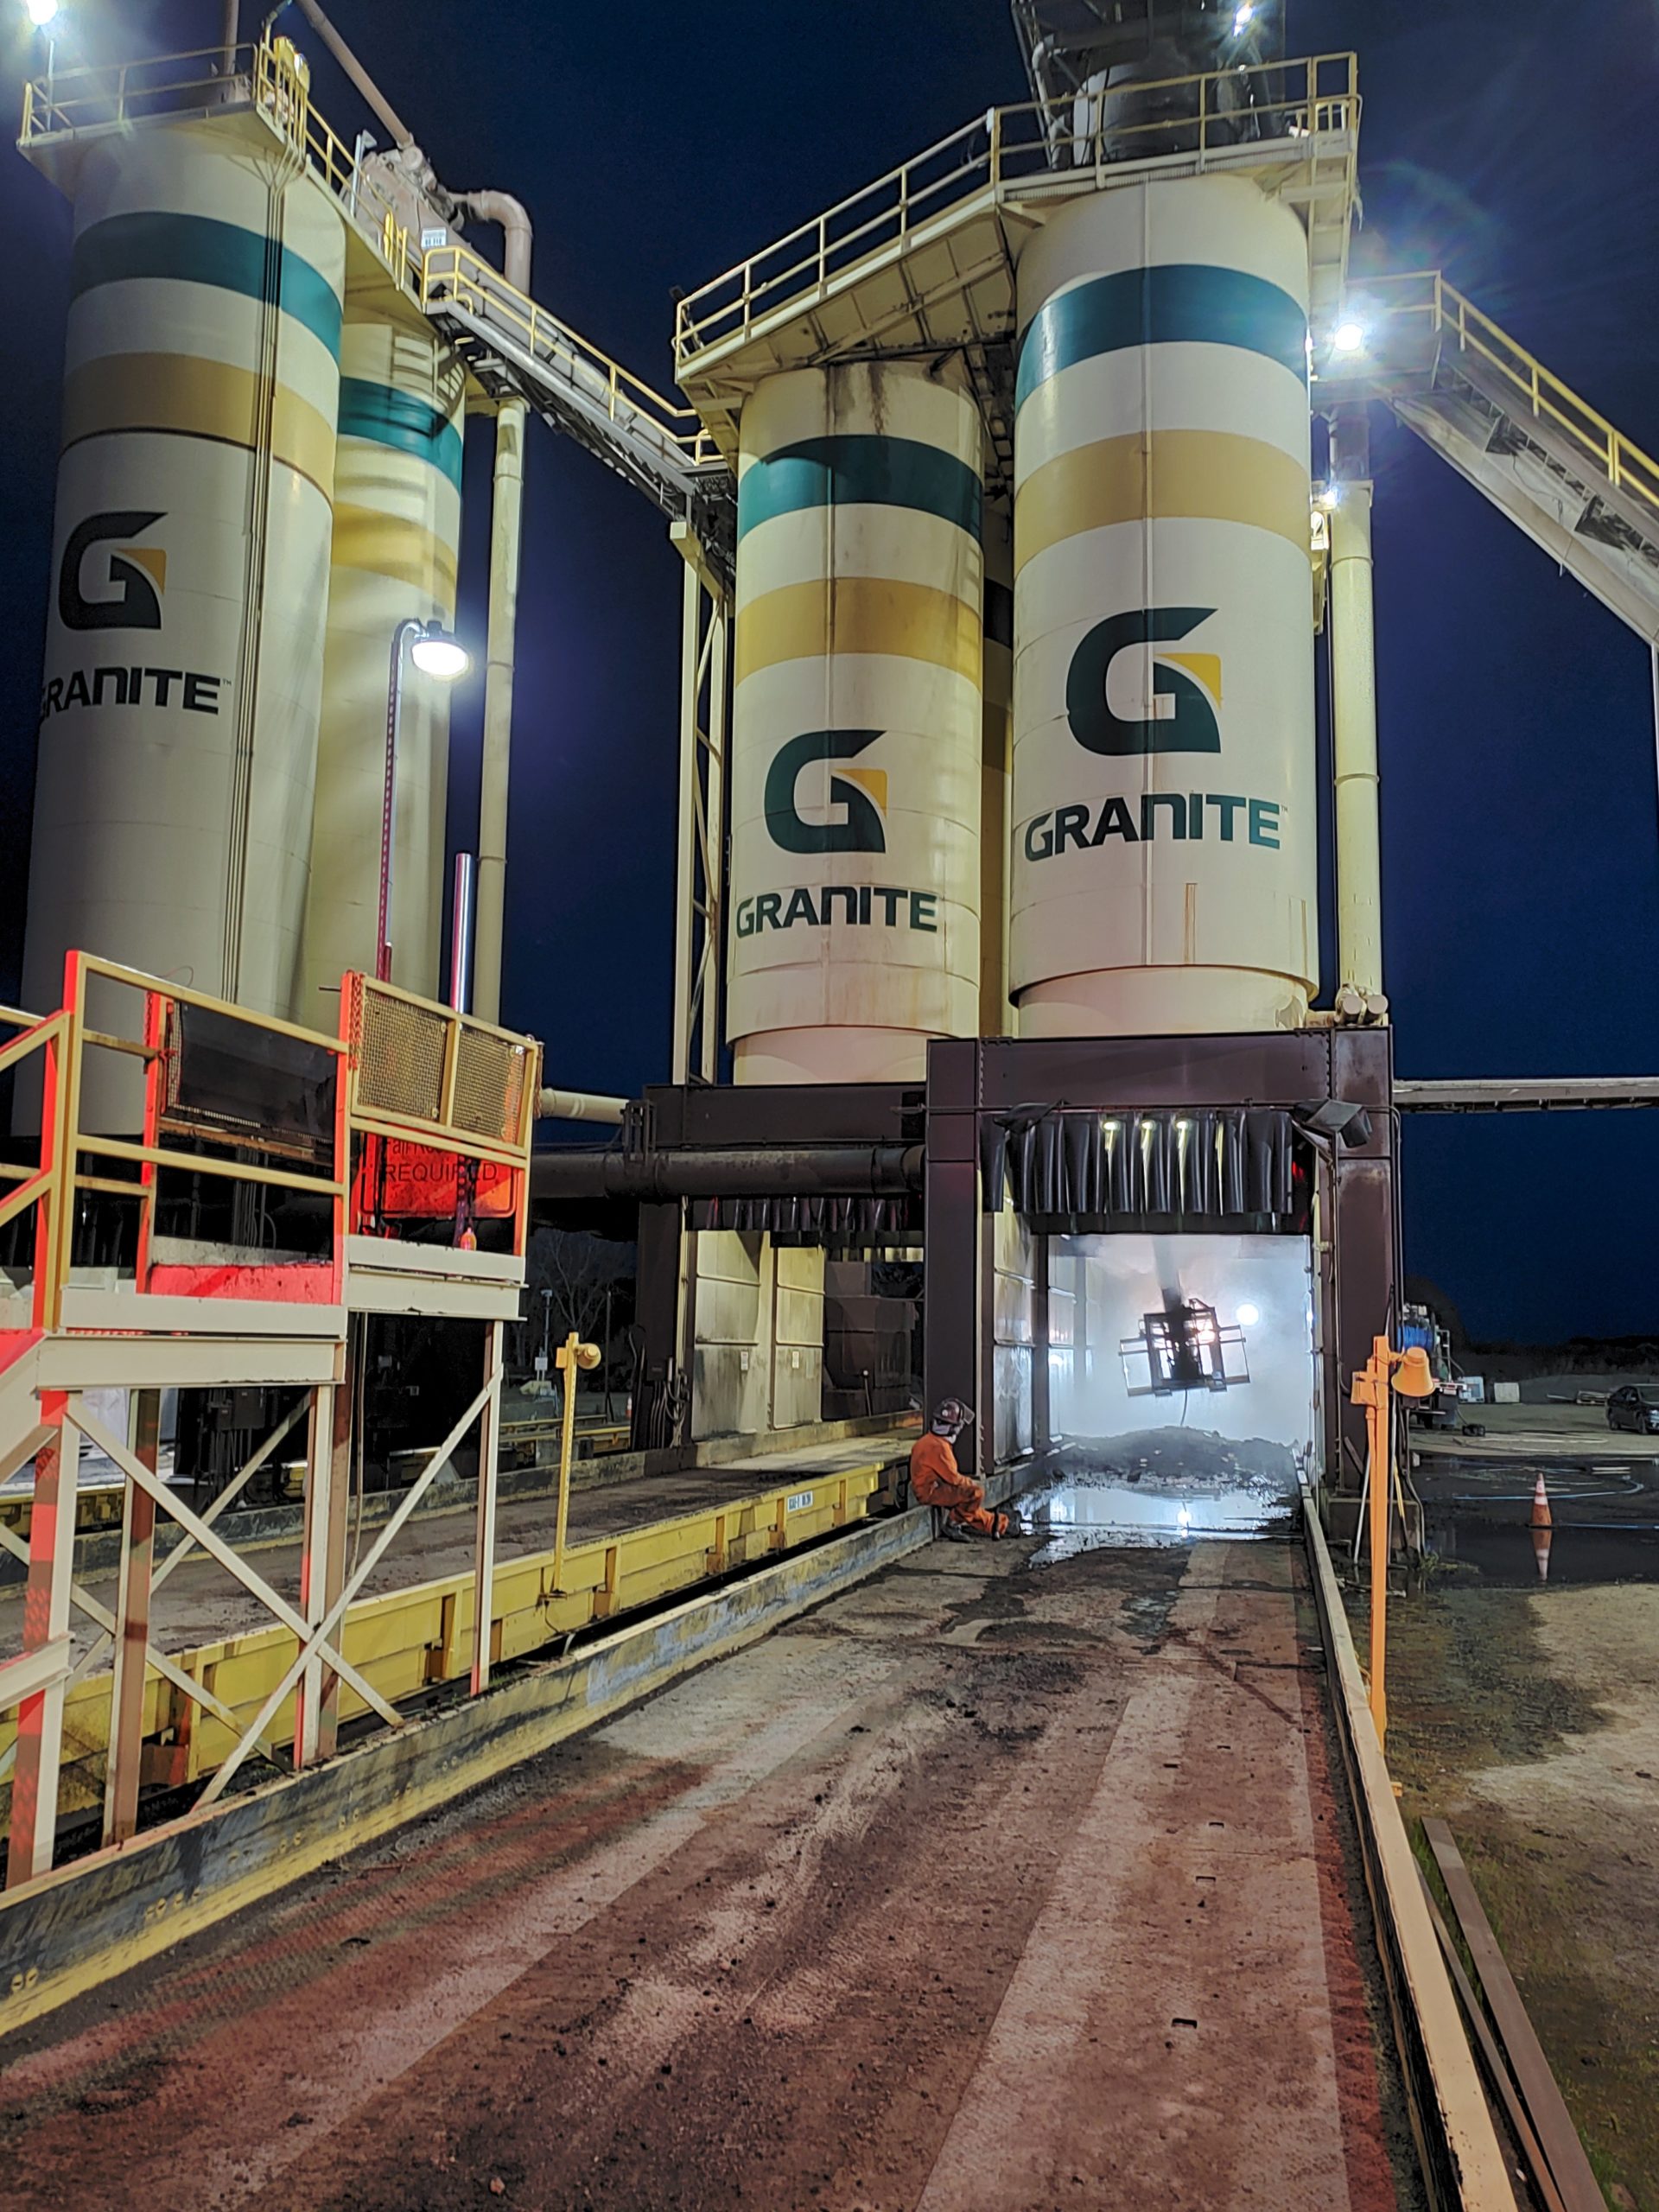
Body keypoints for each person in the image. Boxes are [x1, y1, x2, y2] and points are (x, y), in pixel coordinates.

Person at [908, 1399, 1008, 1540]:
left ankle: (996, 1523)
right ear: (953, 1427)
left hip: (929, 1487)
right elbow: (954, 1479)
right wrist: (971, 1484)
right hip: (931, 1492)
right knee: (975, 1493)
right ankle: (953, 1524)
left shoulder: (927, 1441)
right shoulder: (940, 1448)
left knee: (967, 1506)